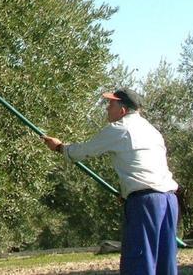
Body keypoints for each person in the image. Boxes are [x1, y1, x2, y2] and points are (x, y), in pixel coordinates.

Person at [42, 88, 179, 275]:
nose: (107, 108)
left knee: (140, 261)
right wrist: (128, 192)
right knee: (165, 263)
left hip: (145, 202)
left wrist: (59, 147)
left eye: (111, 104)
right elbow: (145, 166)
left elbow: (85, 150)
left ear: (122, 110)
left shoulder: (120, 129)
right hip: (169, 201)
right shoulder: (152, 130)